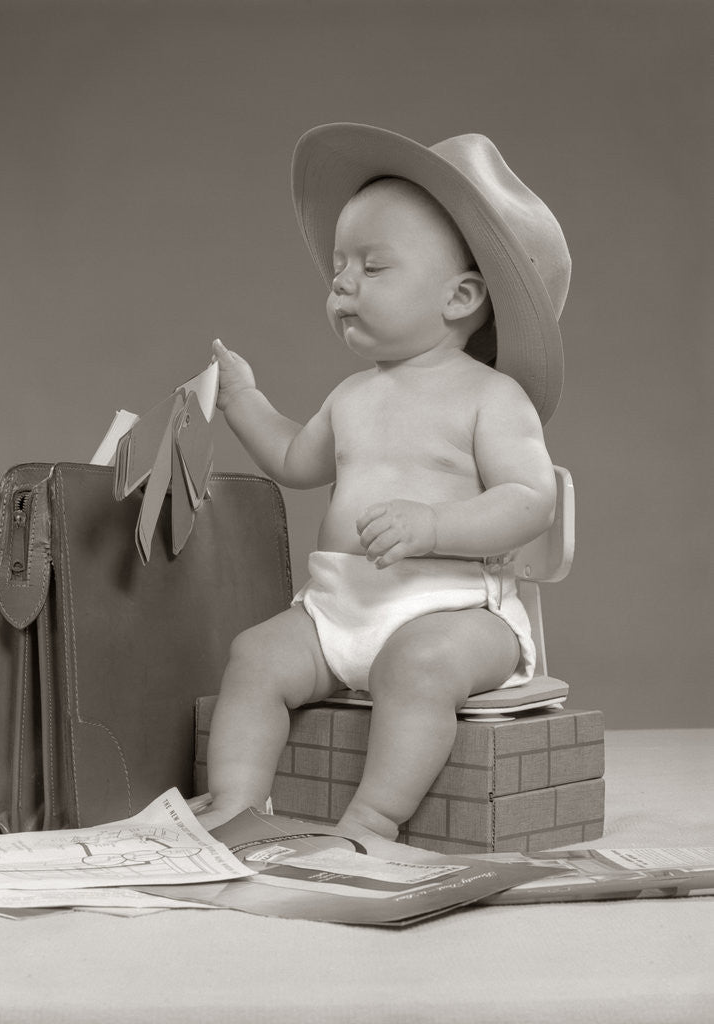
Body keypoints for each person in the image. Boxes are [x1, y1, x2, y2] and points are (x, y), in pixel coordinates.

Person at [193, 124, 571, 860]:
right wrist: (244, 400)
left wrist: (434, 524)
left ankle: (373, 820)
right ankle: (238, 801)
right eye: (338, 267)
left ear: (461, 297)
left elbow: (530, 499)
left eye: (373, 266)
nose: (341, 284)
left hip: (456, 611)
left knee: (417, 668)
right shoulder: (351, 396)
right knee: (256, 656)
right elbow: (296, 460)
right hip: (341, 610)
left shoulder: (491, 398)